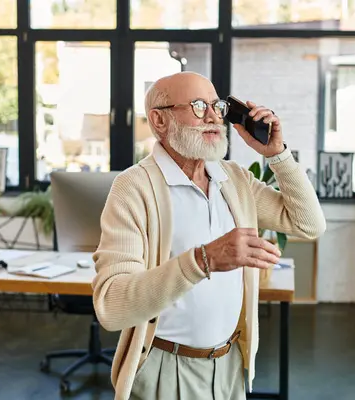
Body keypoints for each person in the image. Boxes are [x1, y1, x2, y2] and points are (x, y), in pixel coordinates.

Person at [92, 71, 326, 400]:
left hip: (230, 365)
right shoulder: (134, 188)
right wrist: (205, 259)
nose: (215, 116)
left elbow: (309, 224)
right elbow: (112, 305)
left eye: (217, 105)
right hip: (166, 369)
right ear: (160, 120)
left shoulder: (233, 179)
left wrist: (276, 154)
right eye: (199, 106)